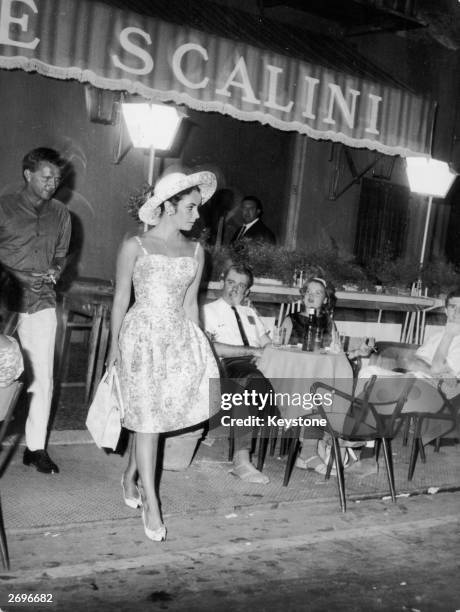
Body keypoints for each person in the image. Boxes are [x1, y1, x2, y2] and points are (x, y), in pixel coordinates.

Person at [107, 171, 220, 542]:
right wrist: (114, 350)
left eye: (197, 208)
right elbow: (122, 299)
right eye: (190, 207)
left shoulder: (197, 251)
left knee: (156, 417)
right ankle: (152, 504)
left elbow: (190, 304)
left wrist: (199, 347)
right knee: (148, 419)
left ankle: (130, 474)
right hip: (140, 338)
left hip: (176, 338)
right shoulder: (135, 246)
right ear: (168, 206)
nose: (196, 216)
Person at [0, 147, 70, 474]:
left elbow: (61, 255)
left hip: (42, 303)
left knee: (43, 377)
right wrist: (17, 276)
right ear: (28, 174)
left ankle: (36, 448)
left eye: (57, 178)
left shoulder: (63, 215)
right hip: (4, 303)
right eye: (46, 177)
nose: (52, 183)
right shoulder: (4, 207)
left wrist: (56, 270)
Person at [280, 276, 371, 474]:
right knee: (317, 391)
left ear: (326, 300)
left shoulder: (329, 324)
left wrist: (356, 353)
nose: (312, 296)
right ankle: (309, 452)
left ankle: (315, 448)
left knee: (328, 389)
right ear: (303, 296)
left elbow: (335, 355)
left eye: (318, 293)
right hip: (294, 378)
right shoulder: (291, 319)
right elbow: (280, 352)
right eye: (308, 292)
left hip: (318, 380)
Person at [202, 263, 274, 485]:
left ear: (247, 291)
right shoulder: (208, 311)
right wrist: (252, 351)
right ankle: (242, 460)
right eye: (231, 282)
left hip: (258, 365)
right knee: (251, 383)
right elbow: (212, 347)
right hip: (227, 366)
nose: (234, 288)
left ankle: (307, 451)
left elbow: (267, 345)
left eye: (241, 285)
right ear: (223, 282)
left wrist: (275, 353)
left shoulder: (250, 312)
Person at [359, 289, 460, 445]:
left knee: (413, 377)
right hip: (415, 382)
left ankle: (363, 428)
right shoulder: (436, 336)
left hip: (439, 394)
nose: (457, 312)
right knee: (368, 371)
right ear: (446, 310)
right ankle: (366, 443)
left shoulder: (450, 337)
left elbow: (437, 371)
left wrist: (449, 335)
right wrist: (428, 367)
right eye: (453, 307)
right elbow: (413, 361)